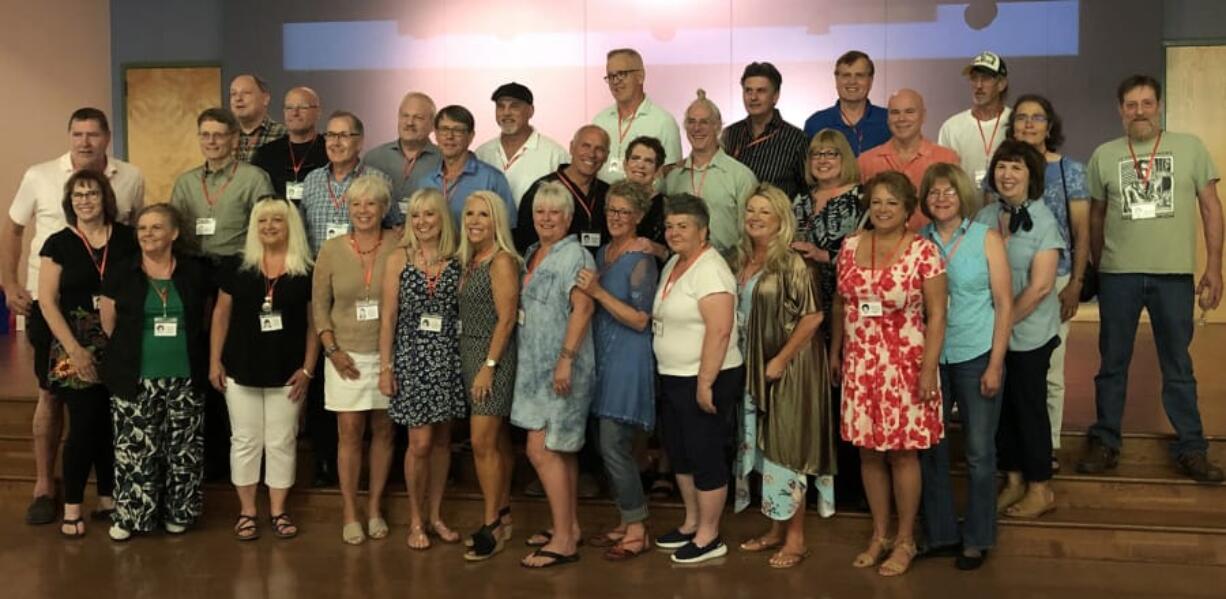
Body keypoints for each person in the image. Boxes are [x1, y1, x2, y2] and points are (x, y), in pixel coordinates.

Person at [1079, 75, 1224, 482]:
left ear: (1159, 106)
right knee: (1112, 363)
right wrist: (1097, 264)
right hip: (1118, 276)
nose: (1139, 111)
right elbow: (1095, 216)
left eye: (1146, 103)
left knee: (1178, 364)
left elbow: (1212, 208)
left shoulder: (1190, 148)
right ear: (1120, 110)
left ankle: (1192, 447)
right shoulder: (1104, 155)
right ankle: (1106, 440)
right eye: (1130, 104)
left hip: (1174, 275)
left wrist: (1214, 267)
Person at [2, 108, 143, 525]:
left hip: (111, 320)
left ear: (107, 138)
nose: (85, 142)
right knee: (51, 397)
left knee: (102, 407)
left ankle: (106, 495)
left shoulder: (131, 177)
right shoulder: (39, 175)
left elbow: (134, 240)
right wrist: (10, 285)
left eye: (93, 134)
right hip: (52, 310)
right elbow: (12, 230)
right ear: (69, 136)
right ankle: (46, 485)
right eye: (77, 134)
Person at [831, 171, 947, 576]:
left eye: (891, 203)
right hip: (860, 363)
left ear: (907, 210)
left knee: (902, 454)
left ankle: (905, 539)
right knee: (868, 453)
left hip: (905, 365)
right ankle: (879, 534)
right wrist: (835, 351)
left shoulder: (924, 252)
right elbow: (840, 303)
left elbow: (937, 315)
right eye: (876, 201)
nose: (882, 209)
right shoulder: (849, 247)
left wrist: (929, 369)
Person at [732, 185, 833, 569]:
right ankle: (774, 528)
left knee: (785, 448)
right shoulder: (743, 260)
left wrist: (779, 360)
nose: (755, 217)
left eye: (765, 212)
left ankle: (796, 539)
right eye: (750, 211)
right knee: (761, 445)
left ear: (781, 220)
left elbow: (813, 317)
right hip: (752, 365)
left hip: (790, 368)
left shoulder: (792, 262)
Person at [917, 163, 1012, 570]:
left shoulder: (985, 238)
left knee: (978, 451)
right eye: (934, 192)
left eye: (949, 192)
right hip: (931, 358)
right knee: (931, 449)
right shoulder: (917, 241)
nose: (941, 199)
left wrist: (996, 362)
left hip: (976, 354)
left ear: (963, 196)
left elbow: (1005, 304)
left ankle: (977, 538)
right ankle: (940, 533)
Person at [99, 204, 211, 541]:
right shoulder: (121, 272)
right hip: (134, 377)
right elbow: (109, 323)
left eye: (156, 227)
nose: (147, 234)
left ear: (174, 233)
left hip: (185, 375)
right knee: (135, 451)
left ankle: (179, 512)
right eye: (142, 228)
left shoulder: (193, 272)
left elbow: (203, 319)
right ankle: (131, 516)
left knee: (183, 450)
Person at [208, 198, 317, 541]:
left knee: (282, 441)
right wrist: (214, 360)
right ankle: (247, 511)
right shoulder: (237, 267)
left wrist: (309, 369)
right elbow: (221, 315)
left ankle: (279, 511)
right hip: (241, 369)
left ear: (290, 226)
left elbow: (316, 325)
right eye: (263, 220)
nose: (269, 226)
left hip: (289, 372)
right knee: (244, 440)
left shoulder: (305, 269)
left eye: (277, 220)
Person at [37, 171, 139, 537]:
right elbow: (48, 303)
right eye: (78, 194)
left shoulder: (128, 239)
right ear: (70, 201)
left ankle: (110, 498)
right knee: (82, 427)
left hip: (122, 343)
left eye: (92, 193)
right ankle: (73, 505)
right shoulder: (58, 243)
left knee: (114, 425)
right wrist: (75, 350)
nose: (85, 200)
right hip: (73, 346)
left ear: (105, 197)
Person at [651, 193, 745, 564]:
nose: (674, 232)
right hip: (674, 375)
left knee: (704, 454)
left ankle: (710, 535)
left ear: (703, 231)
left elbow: (720, 331)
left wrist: (705, 382)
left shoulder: (710, 268)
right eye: (670, 225)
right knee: (681, 452)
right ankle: (691, 523)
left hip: (705, 377)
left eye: (683, 226)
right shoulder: (675, 261)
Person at [976, 140, 1064, 518]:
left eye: (1016, 168)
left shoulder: (1044, 220)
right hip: (992, 336)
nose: (1006, 174)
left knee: (1029, 409)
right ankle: (1012, 481)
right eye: (1001, 167)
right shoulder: (984, 217)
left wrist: (1002, 323)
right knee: (1002, 410)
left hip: (1029, 335)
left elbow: (1041, 287)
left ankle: (1040, 487)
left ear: (1032, 175)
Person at [512, 181, 597, 568]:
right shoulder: (532, 253)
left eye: (554, 212)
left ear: (568, 217)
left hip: (562, 368)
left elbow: (582, 310)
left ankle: (563, 541)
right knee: (559, 450)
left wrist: (565, 358)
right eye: (540, 212)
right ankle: (569, 527)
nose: (546, 218)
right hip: (533, 368)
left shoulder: (576, 256)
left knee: (540, 449)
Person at [312, 174, 400, 544]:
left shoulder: (399, 244)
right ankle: (350, 510)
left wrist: (391, 359)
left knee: (383, 430)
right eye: (356, 204)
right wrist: (331, 350)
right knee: (349, 433)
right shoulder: (331, 249)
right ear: (347, 209)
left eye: (371, 204)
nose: (363, 211)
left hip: (387, 355)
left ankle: (375, 506)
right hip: (343, 356)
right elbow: (319, 306)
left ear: (384, 208)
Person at [574, 180, 659, 561]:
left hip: (629, 358)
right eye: (612, 210)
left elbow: (642, 319)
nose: (617, 218)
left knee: (613, 444)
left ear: (639, 216)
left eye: (625, 212)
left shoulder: (642, 258)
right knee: (607, 443)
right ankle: (626, 519)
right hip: (603, 355)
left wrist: (598, 293)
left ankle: (638, 527)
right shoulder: (605, 251)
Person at [378, 188, 467, 550]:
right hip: (411, 358)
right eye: (416, 215)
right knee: (420, 442)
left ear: (442, 218)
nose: (422, 222)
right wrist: (386, 366)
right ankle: (415, 518)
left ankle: (435, 516)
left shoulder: (458, 258)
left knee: (443, 440)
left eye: (429, 214)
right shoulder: (399, 258)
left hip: (447, 357)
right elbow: (387, 318)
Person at [1006, 94, 1091, 469]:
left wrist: (1076, 282)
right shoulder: (1004, 169)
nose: (1028, 124)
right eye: (1021, 117)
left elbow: (1082, 231)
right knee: (1012, 370)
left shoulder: (1069, 171)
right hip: (1009, 284)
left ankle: (1048, 447)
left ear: (1050, 125)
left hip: (1054, 282)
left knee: (1050, 369)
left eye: (1036, 117)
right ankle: (1014, 448)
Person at [456, 190, 521, 561]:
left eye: (483, 214)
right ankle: (504, 513)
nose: (475, 221)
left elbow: (507, 318)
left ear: (496, 220)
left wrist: (489, 367)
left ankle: (491, 522)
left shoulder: (501, 261)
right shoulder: (471, 259)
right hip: (470, 354)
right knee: (494, 443)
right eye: (469, 214)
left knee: (482, 443)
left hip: (492, 359)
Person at [169, 107, 275, 258]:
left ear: (234, 139)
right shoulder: (185, 182)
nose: (211, 142)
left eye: (218, 135)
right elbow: (173, 227)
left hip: (237, 266)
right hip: (193, 266)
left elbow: (268, 227)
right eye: (205, 135)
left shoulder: (254, 178)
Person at [663, 91, 758, 253]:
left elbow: (751, 233)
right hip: (681, 267)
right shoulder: (673, 178)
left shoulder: (740, 176)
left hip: (727, 266)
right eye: (691, 122)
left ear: (718, 126)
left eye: (704, 122)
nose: (697, 128)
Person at [791, 129, 866, 324]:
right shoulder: (800, 200)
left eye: (831, 154)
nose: (822, 160)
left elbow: (871, 251)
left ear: (845, 158)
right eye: (816, 154)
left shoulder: (862, 198)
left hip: (846, 299)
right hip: (804, 299)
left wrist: (822, 255)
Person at [300, 111, 399, 256]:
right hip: (317, 271)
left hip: (363, 271)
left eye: (344, 136)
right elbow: (302, 230)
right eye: (331, 135)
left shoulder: (379, 180)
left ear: (359, 142)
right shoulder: (312, 179)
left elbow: (395, 230)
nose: (336, 142)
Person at [858, 90, 960, 226]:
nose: (902, 119)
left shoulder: (947, 158)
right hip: (881, 245)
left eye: (909, 112)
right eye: (895, 113)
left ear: (923, 116)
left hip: (934, 245)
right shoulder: (866, 161)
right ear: (887, 118)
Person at [514, 125, 611, 253]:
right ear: (571, 147)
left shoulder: (609, 193)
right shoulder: (542, 189)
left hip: (598, 271)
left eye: (599, 149)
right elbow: (525, 241)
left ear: (606, 156)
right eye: (585, 146)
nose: (591, 154)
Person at [592, 48, 683, 182]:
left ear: (640, 76)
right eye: (611, 76)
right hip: (604, 201)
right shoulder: (600, 121)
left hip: (646, 202)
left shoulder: (663, 122)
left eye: (622, 74)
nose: (615, 81)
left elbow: (672, 178)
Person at [721, 62, 808, 199]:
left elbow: (807, 192)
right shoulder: (730, 134)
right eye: (748, 90)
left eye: (761, 91)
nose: (753, 97)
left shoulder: (796, 139)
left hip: (777, 218)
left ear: (775, 96)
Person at [475, 82, 569, 207]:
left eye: (514, 106)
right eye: (500, 106)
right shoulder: (482, 153)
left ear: (531, 111)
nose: (506, 113)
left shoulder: (555, 154)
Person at [421, 105, 515, 225]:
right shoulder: (426, 182)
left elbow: (509, 227)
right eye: (444, 129)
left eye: (458, 130)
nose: (449, 136)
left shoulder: (492, 179)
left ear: (471, 136)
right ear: (436, 135)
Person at [938, 52, 1012, 190]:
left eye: (986, 78)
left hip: (1007, 210)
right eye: (974, 78)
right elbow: (944, 178)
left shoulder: (1015, 123)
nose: (978, 85)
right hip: (964, 210)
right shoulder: (951, 127)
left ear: (1001, 84)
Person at [363, 92, 443, 209]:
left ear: (432, 125)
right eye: (405, 116)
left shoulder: (443, 160)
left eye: (418, 118)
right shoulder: (373, 158)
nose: (410, 122)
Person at [803, 50, 890, 156]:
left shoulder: (889, 121)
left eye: (859, 75)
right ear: (836, 80)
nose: (852, 81)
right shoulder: (816, 123)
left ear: (870, 80)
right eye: (846, 75)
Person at [252, 86, 329, 201]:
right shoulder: (266, 154)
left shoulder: (330, 151)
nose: (295, 113)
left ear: (318, 112)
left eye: (302, 107)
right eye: (289, 108)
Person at [623, 136, 669, 252]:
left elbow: (671, 252)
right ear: (625, 164)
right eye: (635, 158)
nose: (641, 165)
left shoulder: (666, 207)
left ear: (658, 171)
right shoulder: (610, 199)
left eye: (648, 161)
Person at [230, 74, 287, 162]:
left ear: (265, 99)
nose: (238, 98)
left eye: (246, 93)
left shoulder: (283, 135)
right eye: (233, 94)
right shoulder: (226, 136)